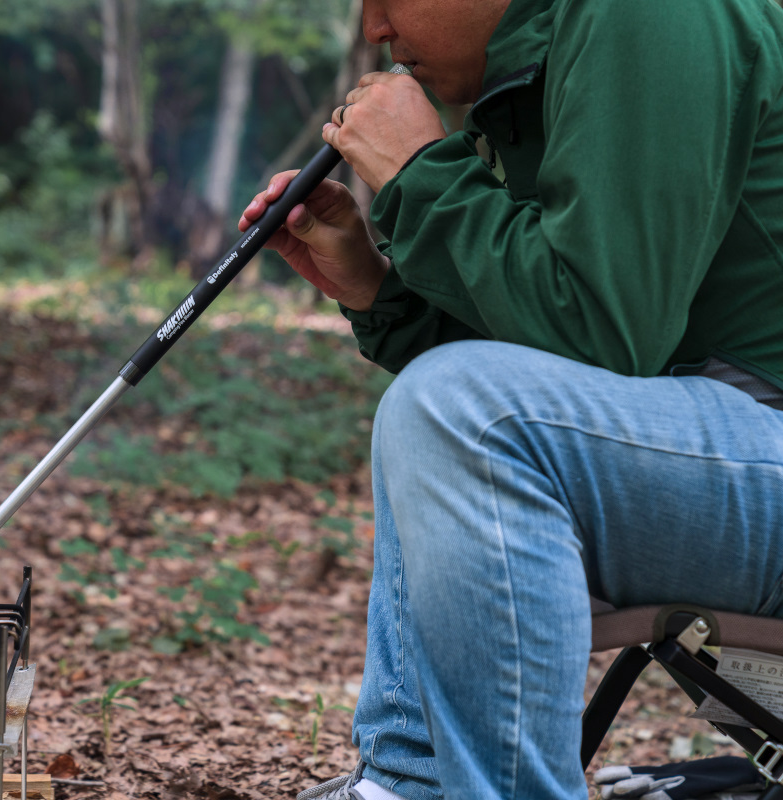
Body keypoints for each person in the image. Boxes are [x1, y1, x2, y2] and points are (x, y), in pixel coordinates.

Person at [238, 0, 783, 797]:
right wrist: (376, 289)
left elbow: (601, 326)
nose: (373, 30)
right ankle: (408, 783)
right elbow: (561, 366)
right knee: (452, 409)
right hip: (728, 443)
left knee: (465, 413)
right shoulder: (553, 50)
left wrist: (424, 175)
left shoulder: (650, 13)